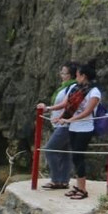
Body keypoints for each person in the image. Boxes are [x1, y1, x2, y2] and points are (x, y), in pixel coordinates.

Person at [57, 62, 102, 200]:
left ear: (83, 76)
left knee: (78, 157)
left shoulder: (94, 92)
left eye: (77, 74)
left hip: (85, 128)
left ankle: (83, 190)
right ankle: (78, 186)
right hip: (74, 127)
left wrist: (69, 120)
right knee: (75, 157)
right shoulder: (75, 88)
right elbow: (68, 105)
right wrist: (60, 117)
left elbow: (88, 111)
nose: (75, 76)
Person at [37, 61, 79, 189]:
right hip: (63, 124)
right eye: (61, 72)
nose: (61, 75)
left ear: (71, 75)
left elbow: (67, 104)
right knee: (65, 153)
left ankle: (56, 179)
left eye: (64, 73)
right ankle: (63, 181)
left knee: (50, 150)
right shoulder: (65, 87)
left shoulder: (73, 87)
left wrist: (48, 108)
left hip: (66, 125)